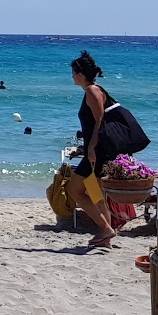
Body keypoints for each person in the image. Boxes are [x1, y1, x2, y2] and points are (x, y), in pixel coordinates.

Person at [61, 52, 120, 248]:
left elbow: (99, 121)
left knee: (74, 190)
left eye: (73, 72)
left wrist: (92, 148)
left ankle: (105, 229)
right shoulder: (93, 90)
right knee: (96, 194)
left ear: (80, 74)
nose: (71, 76)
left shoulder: (92, 91)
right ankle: (106, 240)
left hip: (96, 153)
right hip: (96, 152)